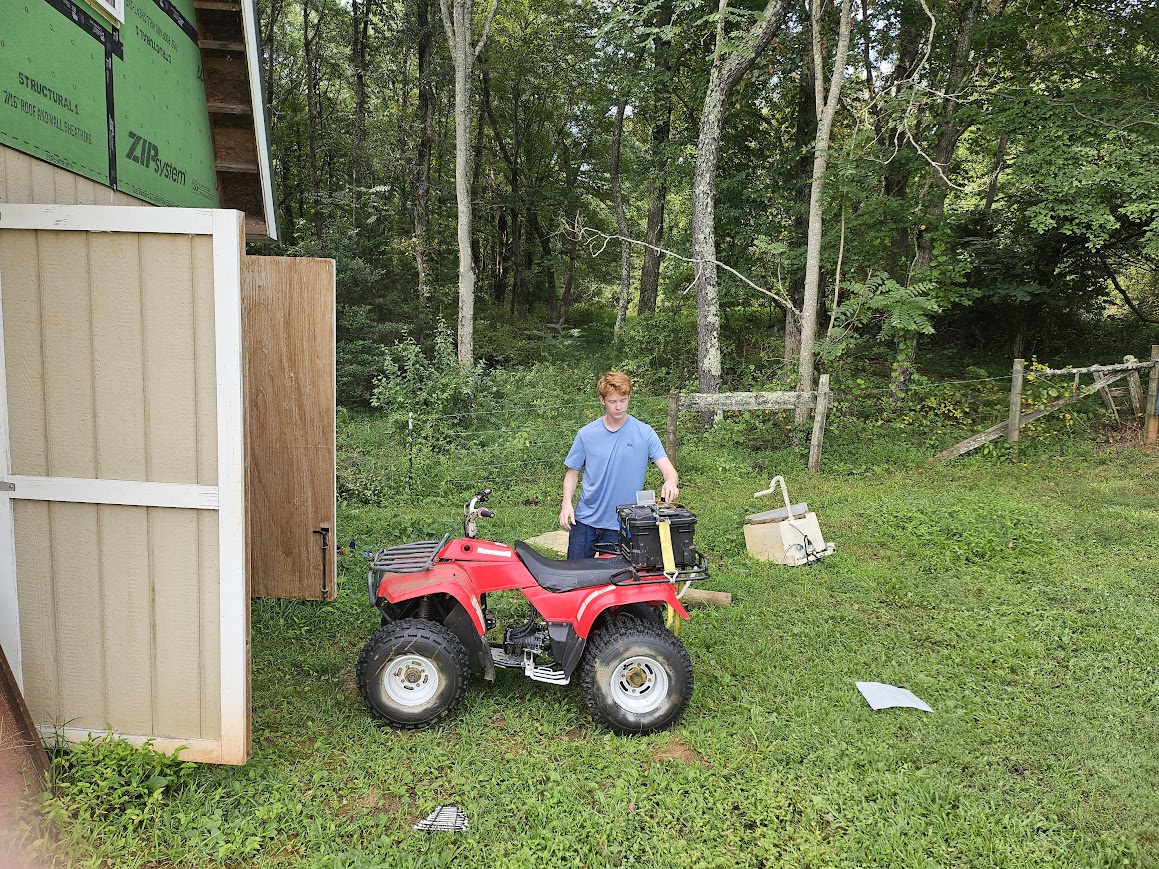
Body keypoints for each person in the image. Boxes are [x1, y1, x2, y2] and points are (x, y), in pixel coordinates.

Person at [560, 371, 679, 559]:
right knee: (575, 581)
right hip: (585, 521)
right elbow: (572, 472)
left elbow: (668, 470)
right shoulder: (586, 434)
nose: (618, 407)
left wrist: (670, 482)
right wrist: (566, 502)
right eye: (612, 401)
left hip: (621, 523)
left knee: (616, 584)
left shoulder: (645, 433)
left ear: (629, 397)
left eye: (623, 400)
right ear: (602, 400)